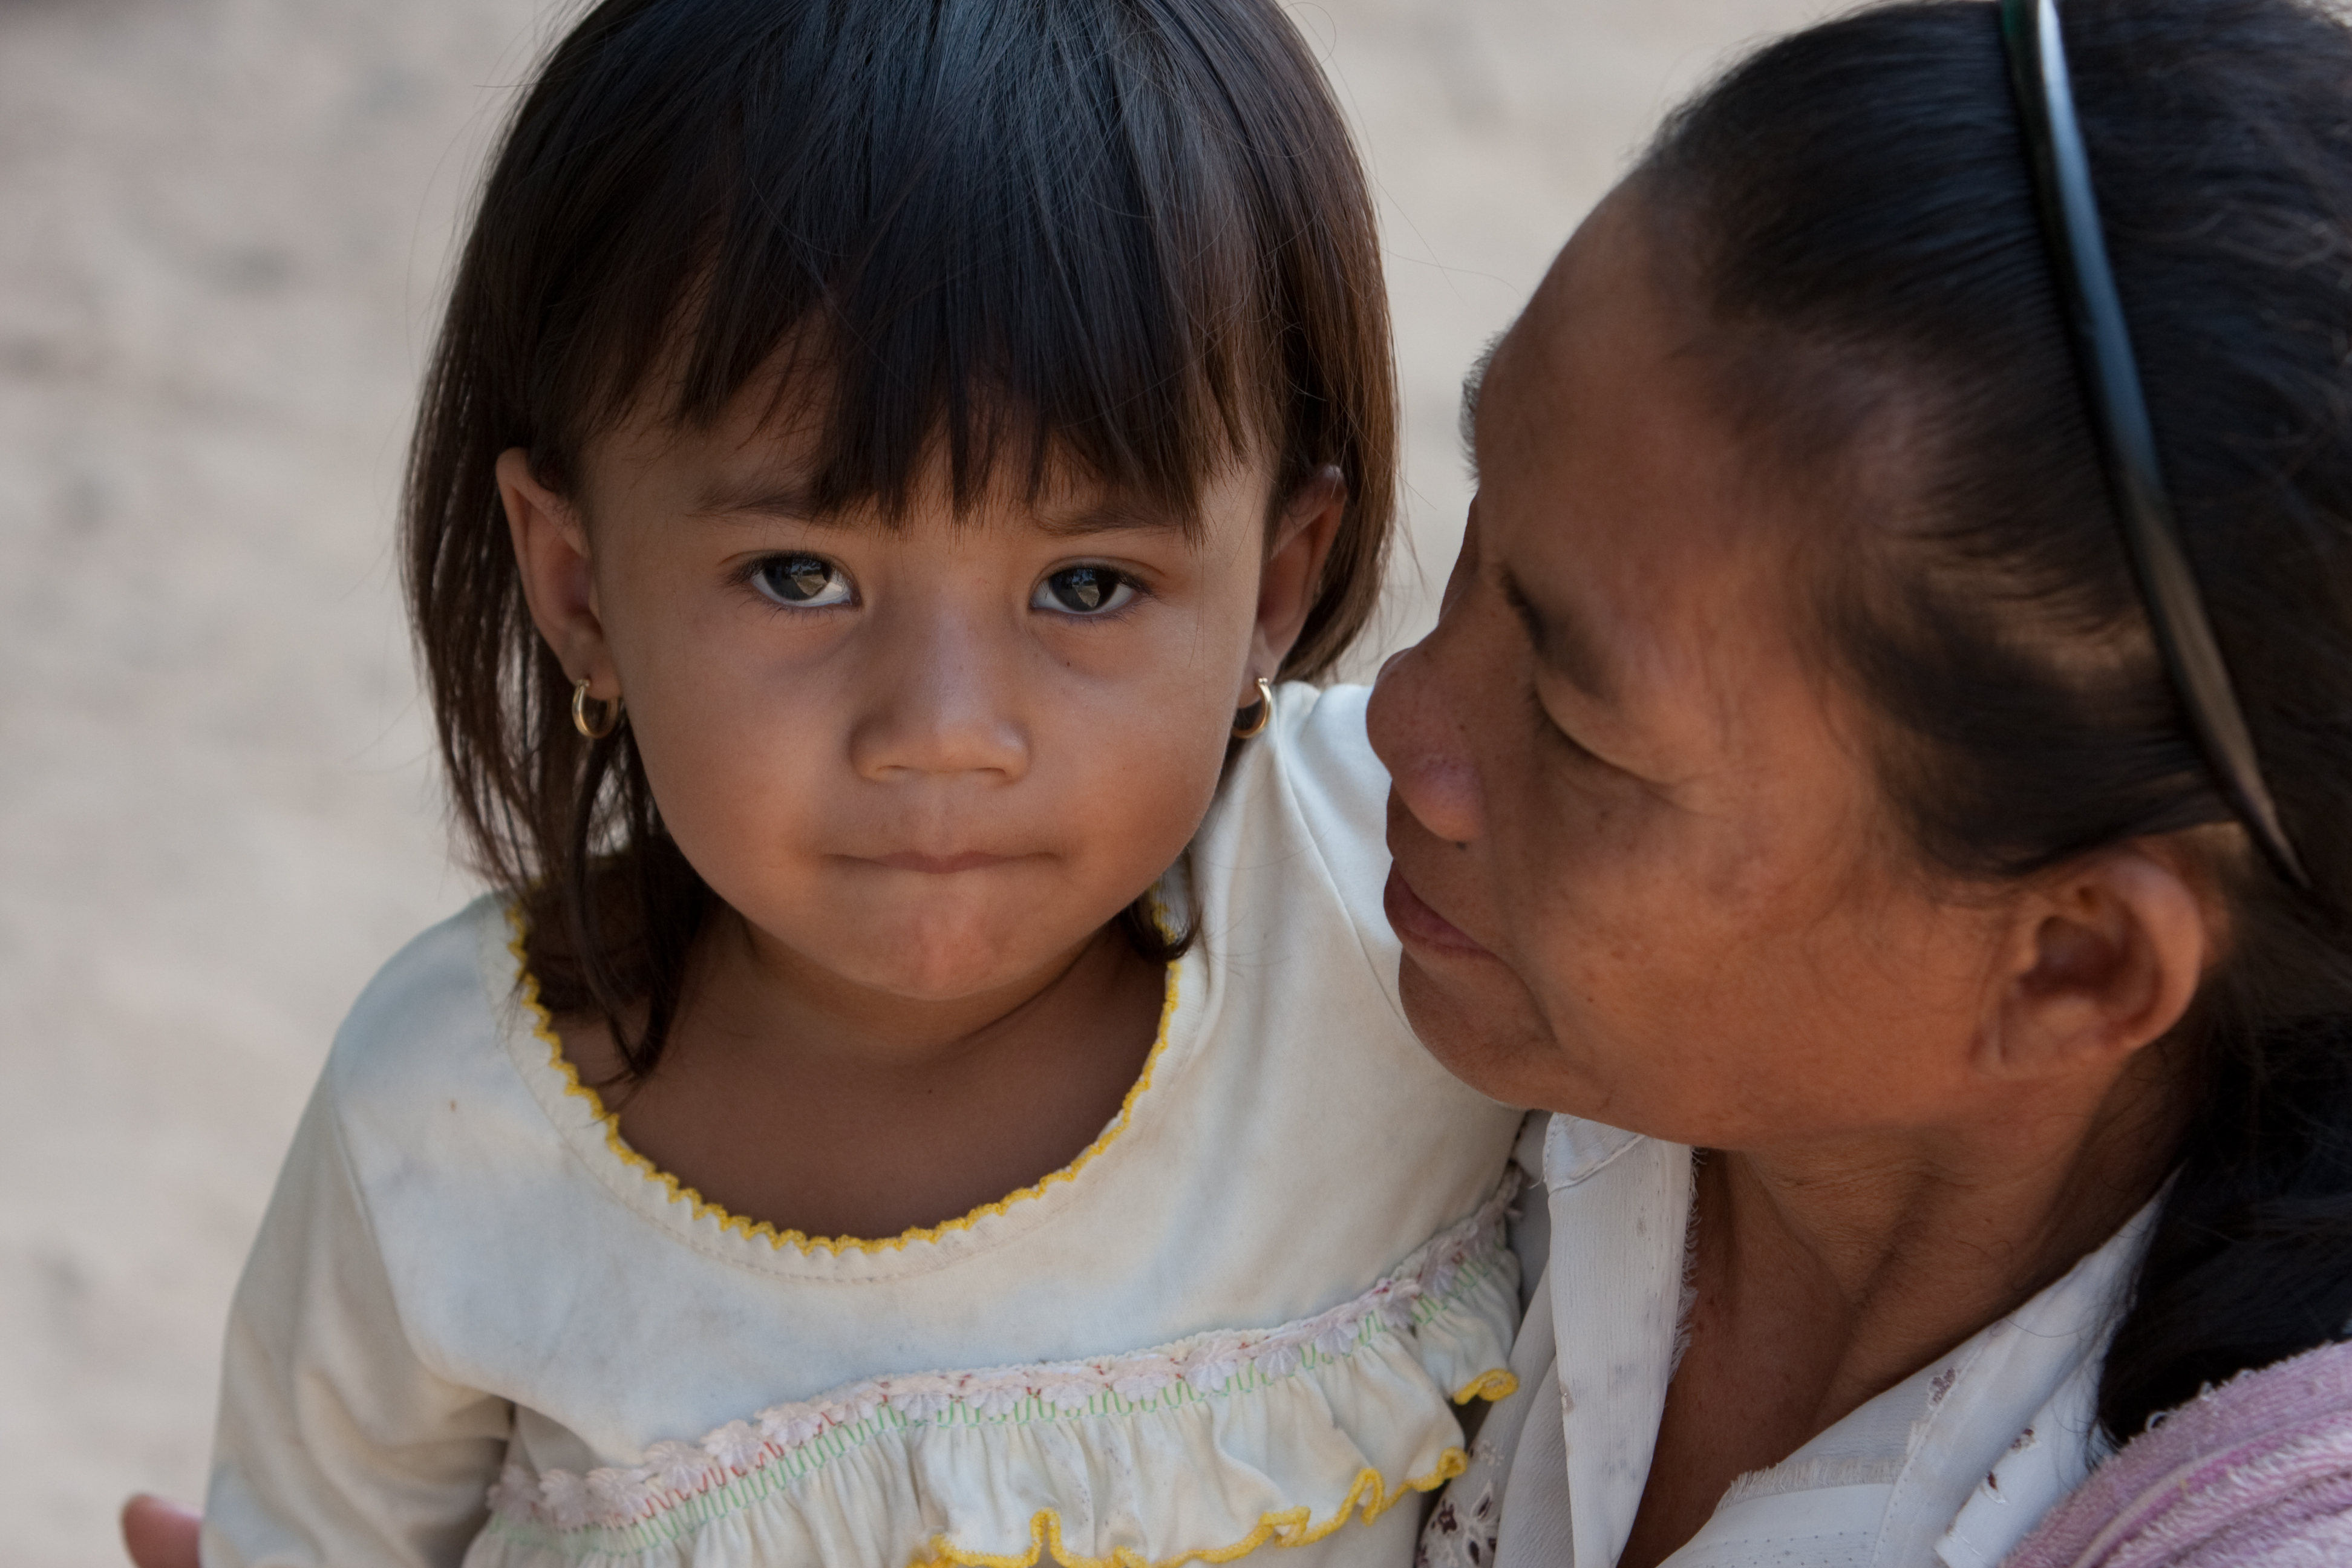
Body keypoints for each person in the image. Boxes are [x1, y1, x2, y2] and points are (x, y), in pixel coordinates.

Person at [173, 1, 1529, 1565]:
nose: (944, 730)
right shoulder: (444, 1130)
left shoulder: (1387, 902)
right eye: (800, 574)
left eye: (1086, 586)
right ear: (580, 585)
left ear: (1271, 591)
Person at [1379, 0, 2352, 1562]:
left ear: (2071, 961)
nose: (1399, 727)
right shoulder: (1292, 949)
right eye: (1483, 539)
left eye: (1575, 727)